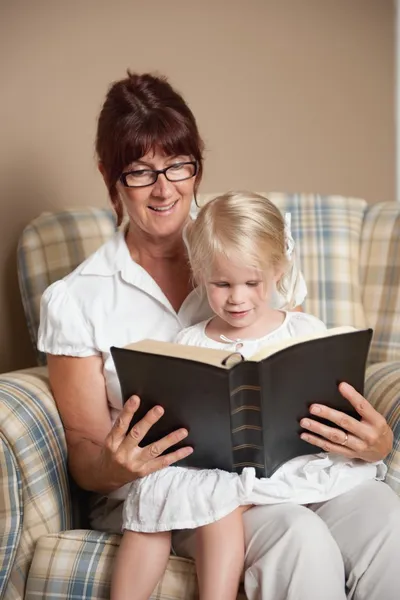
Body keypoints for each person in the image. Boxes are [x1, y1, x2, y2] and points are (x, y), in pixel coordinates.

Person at [37, 72, 399, 600]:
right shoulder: (77, 298)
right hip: (185, 495)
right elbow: (86, 450)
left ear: (197, 164)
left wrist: (376, 441)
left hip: (288, 473)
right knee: (299, 541)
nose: (164, 188)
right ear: (108, 175)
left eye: (179, 166)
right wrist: (116, 463)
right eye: (140, 172)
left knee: (386, 518)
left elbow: (293, 361)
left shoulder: (243, 244)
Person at [111, 191, 387, 600]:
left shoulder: (304, 331)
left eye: (251, 283)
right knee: (293, 535)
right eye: (221, 284)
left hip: (310, 468)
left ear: (278, 270)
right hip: (234, 483)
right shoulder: (190, 342)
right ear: (200, 274)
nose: (237, 298)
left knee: (385, 514)